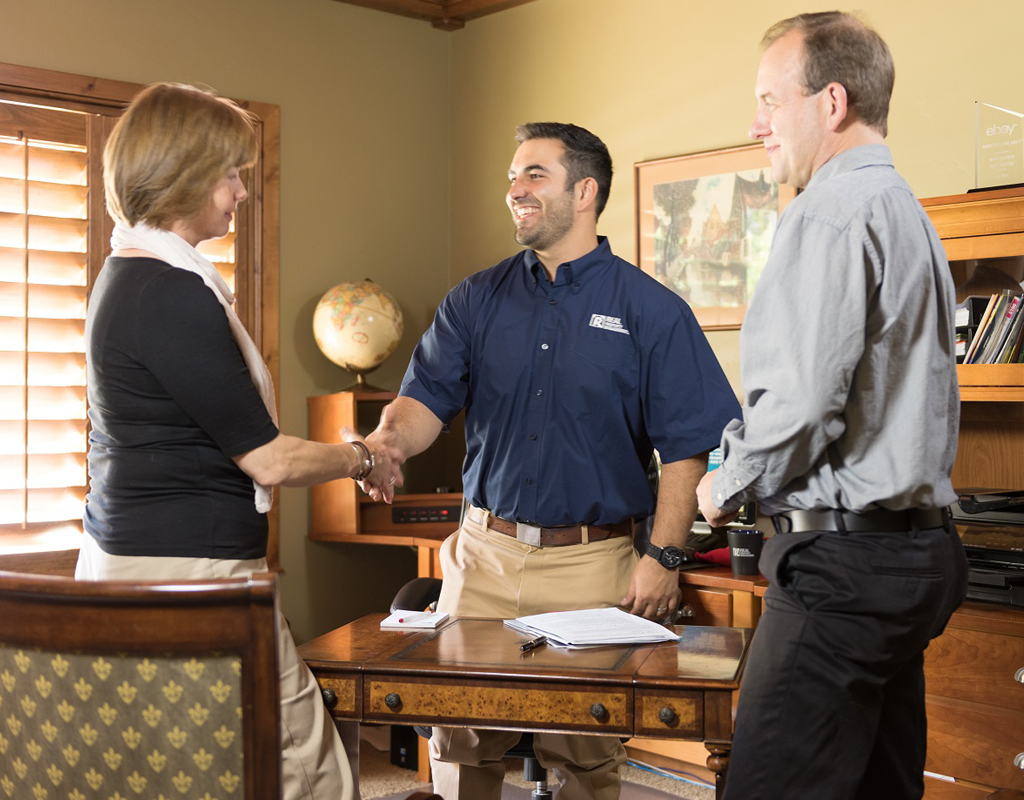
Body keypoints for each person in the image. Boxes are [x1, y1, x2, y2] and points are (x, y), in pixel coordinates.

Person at [359, 122, 740, 800]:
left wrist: (666, 557)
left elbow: (687, 449)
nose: (514, 190)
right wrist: (384, 444)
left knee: (587, 751)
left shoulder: (651, 310)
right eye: (512, 176)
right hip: (484, 557)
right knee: (461, 740)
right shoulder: (475, 300)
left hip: (592, 565)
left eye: (534, 175)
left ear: (585, 191)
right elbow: (422, 404)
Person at [78, 82, 392, 800]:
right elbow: (271, 457)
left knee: (189, 769)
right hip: (189, 574)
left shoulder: (130, 274)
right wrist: (365, 456)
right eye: (229, 174)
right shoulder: (167, 291)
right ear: (183, 174)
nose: (241, 192)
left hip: (149, 559)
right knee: (299, 765)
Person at [695, 13, 968, 800]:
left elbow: (802, 405)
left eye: (769, 101)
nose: (757, 125)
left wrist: (724, 485)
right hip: (913, 559)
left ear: (833, 102)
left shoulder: (825, 214)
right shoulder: (908, 213)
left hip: (844, 571)